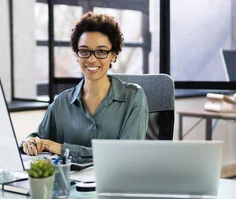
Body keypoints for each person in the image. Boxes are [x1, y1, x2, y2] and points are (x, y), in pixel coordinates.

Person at [21, 12, 149, 160]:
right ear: (77, 55)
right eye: (84, 51)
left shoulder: (133, 97)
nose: (92, 59)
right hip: (69, 182)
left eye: (101, 51)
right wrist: (30, 142)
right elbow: (37, 137)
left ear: (113, 55)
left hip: (114, 182)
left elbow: (127, 154)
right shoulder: (62, 102)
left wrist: (61, 148)